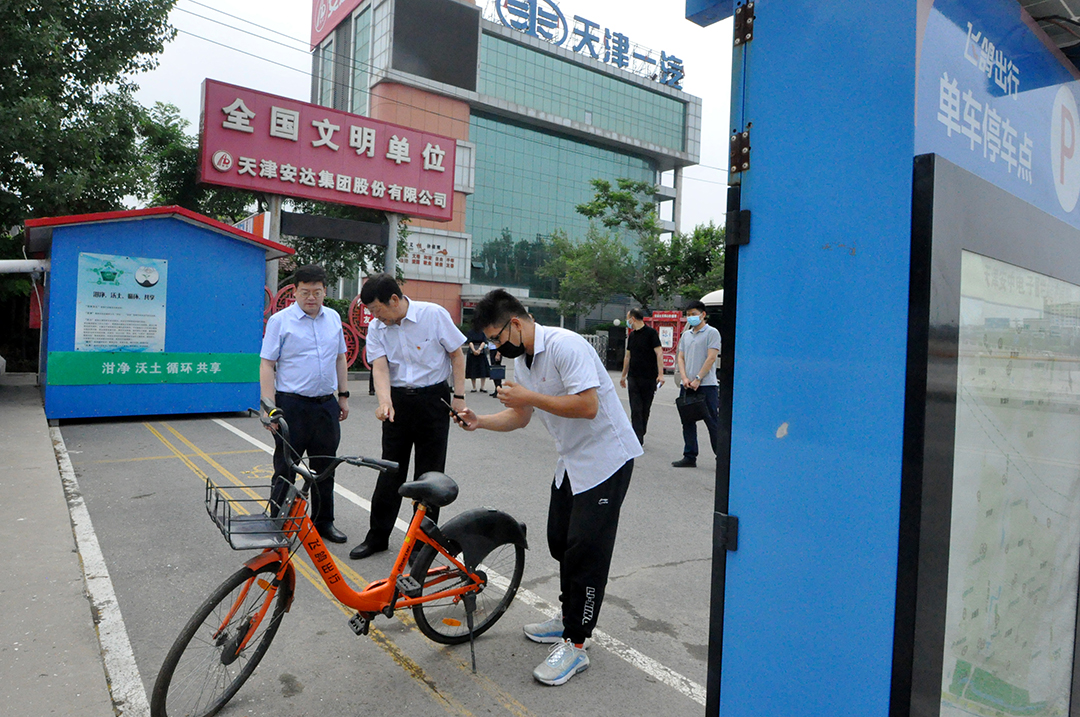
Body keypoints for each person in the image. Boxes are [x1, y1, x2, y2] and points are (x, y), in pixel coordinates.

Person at [455, 289, 641, 686]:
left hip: (606, 459)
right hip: (572, 461)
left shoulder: (565, 346)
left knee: (586, 552)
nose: (496, 348)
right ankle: (566, 617)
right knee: (559, 540)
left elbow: (587, 405)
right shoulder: (522, 359)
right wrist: (480, 421)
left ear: (515, 323)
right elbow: (520, 416)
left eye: (497, 339)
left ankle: (576, 643)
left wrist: (530, 396)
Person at [349, 273, 467, 560]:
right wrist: (385, 402)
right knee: (390, 471)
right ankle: (377, 537)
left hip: (433, 400)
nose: (376, 317)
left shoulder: (433, 315)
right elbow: (380, 367)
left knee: (429, 475)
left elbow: (456, 355)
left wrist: (460, 397)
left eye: (377, 310)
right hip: (398, 402)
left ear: (394, 299)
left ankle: (421, 546)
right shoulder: (378, 327)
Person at [260, 264, 350, 544]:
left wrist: (343, 395)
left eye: (317, 292)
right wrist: (270, 408)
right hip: (292, 407)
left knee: (325, 467)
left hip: (325, 406)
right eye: (305, 292)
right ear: (295, 292)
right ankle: (277, 522)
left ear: (324, 291)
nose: (311, 297)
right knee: (286, 467)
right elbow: (267, 364)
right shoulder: (281, 321)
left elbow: (340, 358)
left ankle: (323, 522)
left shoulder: (333, 318)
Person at [672, 299, 721, 468]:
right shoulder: (686, 335)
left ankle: (721, 457)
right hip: (687, 385)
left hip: (706, 385)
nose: (691, 317)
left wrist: (698, 378)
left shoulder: (712, 333)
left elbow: (711, 357)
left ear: (703, 314)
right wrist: (684, 378)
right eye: (688, 315)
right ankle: (689, 455)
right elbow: (681, 357)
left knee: (712, 421)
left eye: (693, 314)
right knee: (687, 421)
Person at [619, 308, 665, 446]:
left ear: (633, 318)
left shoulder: (651, 333)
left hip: (649, 377)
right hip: (633, 377)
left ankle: (641, 432)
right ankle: (636, 438)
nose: (627, 321)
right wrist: (623, 375)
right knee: (635, 408)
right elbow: (628, 356)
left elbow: (659, 353)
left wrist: (661, 374)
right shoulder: (632, 336)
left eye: (628, 318)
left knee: (645, 408)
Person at [464, 327, 490, 393]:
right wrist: (474, 350)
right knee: (472, 369)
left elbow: (484, 342)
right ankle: (474, 387)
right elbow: (469, 342)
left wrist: (479, 350)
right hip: (472, 353)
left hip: (481, 353)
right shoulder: (470, 332)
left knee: (483, 369)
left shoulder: (482, 332)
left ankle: (482, 387)